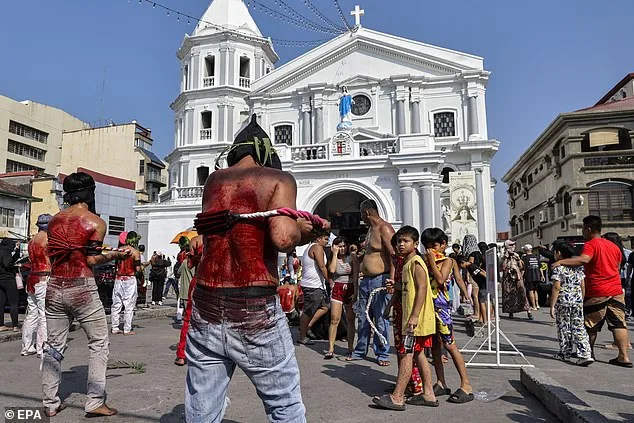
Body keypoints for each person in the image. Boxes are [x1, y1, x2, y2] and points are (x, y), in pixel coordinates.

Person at [186, 114, 318, 423]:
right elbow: (284, 238)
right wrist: (305, 230)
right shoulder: (277, 178)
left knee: (202, 408)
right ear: (265, 153)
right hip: (252, 305)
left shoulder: (213, 180)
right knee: (284, 405)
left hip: (206, 300)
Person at [43, 171, 129, 418]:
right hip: (82, 286)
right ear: (90, 193)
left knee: (53, 346)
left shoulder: (54, 221)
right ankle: (94, 401)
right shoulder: (95, 222)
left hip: (55, 285)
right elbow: (91, 258)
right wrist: (115, 255)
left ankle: (50, 402)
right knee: (99, 342)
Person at [553, 216, 632, 367]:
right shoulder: (613, 246)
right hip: (616, 290)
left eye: (583, 229)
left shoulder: (591, 244)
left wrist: (561, 261)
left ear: (589, 229)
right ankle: (624, 356)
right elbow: (617, 266)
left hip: (597, 290)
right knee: (618, 323)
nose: (582, 232)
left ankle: (587, 353)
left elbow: (583, 260)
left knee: (589, 324)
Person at [372, 226, 436, 410]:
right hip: (412, 318)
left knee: (407, 354)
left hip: (414, 319)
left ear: (415, 244)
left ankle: (397, 396)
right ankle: (429, 394)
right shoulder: (407, 263)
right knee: (418, 353)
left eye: (405, 241)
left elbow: (422, 289)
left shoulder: (416, 263)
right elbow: (409, 287)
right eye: (399, 241)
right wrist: (396, 286)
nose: (400, 244)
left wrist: (414, 316)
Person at [422, 228, 473, 403]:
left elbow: (441, 279)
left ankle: (466, 384)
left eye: (434, 245)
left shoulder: (448, 261)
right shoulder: (426, 260)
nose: (430, 249)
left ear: (443, 244)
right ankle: (441, 382)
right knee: (435, 346)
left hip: (441, 308)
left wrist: (465, 292)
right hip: (428, 307)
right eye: (427, 246)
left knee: (450, 344)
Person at [348, 199, 394, 366]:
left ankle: (382, 353)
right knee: (363, 317)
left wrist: (392, 279)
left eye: (361, 214)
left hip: (380, 279)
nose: (361, 217)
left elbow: (393, 255)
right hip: (365, 280)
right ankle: (360, 350)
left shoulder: (384, 228)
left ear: (367, 213)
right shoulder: (370, 229)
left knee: (380, 317)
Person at [549, 242, 593, 366]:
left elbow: (556, 288)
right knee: (579, 327)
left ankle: (565, 352)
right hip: (577, 301)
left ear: (558, 253)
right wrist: (581, 299)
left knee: (564, 327)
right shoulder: (578, 267)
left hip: (563, 302)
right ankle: (585, 354)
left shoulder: (559, 268)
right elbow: (583, 285)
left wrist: (552, 305)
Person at [21, 214, 52, 356]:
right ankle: (42, 347)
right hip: (43, 277)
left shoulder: (32, 240)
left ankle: (27, 346)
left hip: (32, 277)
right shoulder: (48, 239)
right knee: (43, 314)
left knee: (31, 313)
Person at [324, 236, 358, 359]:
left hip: (349, 287)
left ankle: (350, 347)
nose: (342, 248)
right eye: (339, 246)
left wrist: (356, 292)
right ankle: (331, 348)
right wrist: (334, 254)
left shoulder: (352, 257)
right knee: (334, 319)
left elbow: (355, 275)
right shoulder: (334, 258)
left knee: (350, 319)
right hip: (337, 287)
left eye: (344, 246)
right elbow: (332, 270)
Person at [174, 235, 203, 366]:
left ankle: (181, 355)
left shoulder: (197, 241)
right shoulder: (228, 237)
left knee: (188, 320)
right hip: (221, 283)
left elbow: (190, 265)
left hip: (200, 280)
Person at [298, 229, 330, 345]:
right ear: (319, 238)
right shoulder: (317, 247)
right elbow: (322, 266)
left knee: (325, 307)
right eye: (325, 239)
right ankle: (302, 336)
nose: (327, 242)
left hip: (316, 284)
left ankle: (307, 327)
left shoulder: (310, 247)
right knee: (308, 311)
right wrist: (329, 280)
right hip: (313, 285)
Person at [111, 231, 141, 335]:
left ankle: (115, 327)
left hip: (119, 278)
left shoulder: (119, 250)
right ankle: (127, 329)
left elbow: (116, 265)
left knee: (116, 303)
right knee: (129, 305)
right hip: (130, 278)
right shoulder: (135, 252)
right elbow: (138, 269)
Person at [501, 240, 533, 320]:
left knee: (522, 292)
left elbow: (522, 266)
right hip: (508, 277)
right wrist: (505, 257)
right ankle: (510, 311)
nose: (513, 247)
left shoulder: (516, 255)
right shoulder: (503, 256)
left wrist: (518, 260)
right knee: (508, 293)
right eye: (511, 245)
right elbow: (502, 266)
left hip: (517, 276)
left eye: (513, 245)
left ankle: (528, 311)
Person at [0, 238, 20, 332]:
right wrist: (16, 266)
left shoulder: (1, 251)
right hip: (8, 280)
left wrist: (17, 251)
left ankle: (1, 325)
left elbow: (11, 260)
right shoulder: (5, 253)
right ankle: (15, 325)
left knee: (1, 303)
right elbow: (8, 264)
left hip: (0, 280)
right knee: (14, 303)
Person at [462, 234, 481, 322]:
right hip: (479, 276)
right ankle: (478, 313)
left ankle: (476, 313)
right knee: (478, 296)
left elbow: (470, 265)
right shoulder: (479, 253)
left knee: (475, 296)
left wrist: (468, 277)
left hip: (474, 276)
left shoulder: (472, 254)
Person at [522, 244, 542, 311]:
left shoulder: (525, 258)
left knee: (530, 291)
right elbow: (540, 267)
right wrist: (542, 275)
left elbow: (523, 269)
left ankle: (534, 306)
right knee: (535, 291)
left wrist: (521, 276)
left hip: (529, 276)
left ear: (525, 250)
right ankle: (537, 304)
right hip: (537, 276)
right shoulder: (536, 257)